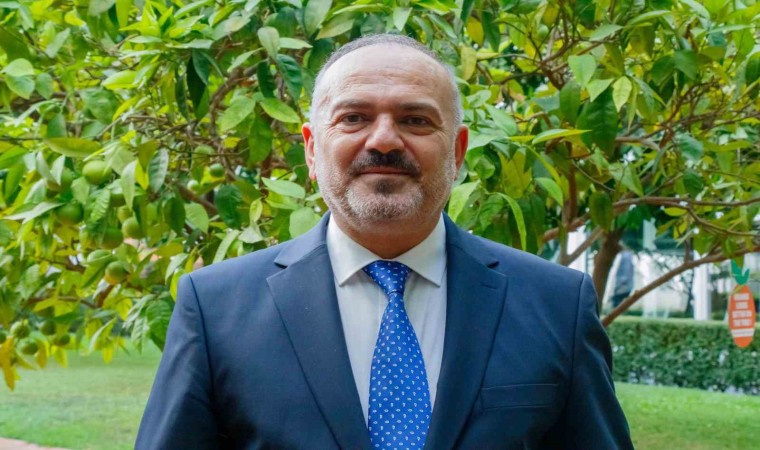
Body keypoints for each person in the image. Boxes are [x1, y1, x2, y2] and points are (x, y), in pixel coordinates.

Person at [136, 34, 633, 449]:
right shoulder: (215, 307)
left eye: (416, 120)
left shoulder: (557, 305)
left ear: (457, 151)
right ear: (311, 150)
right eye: (353, 117)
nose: (384, 141)